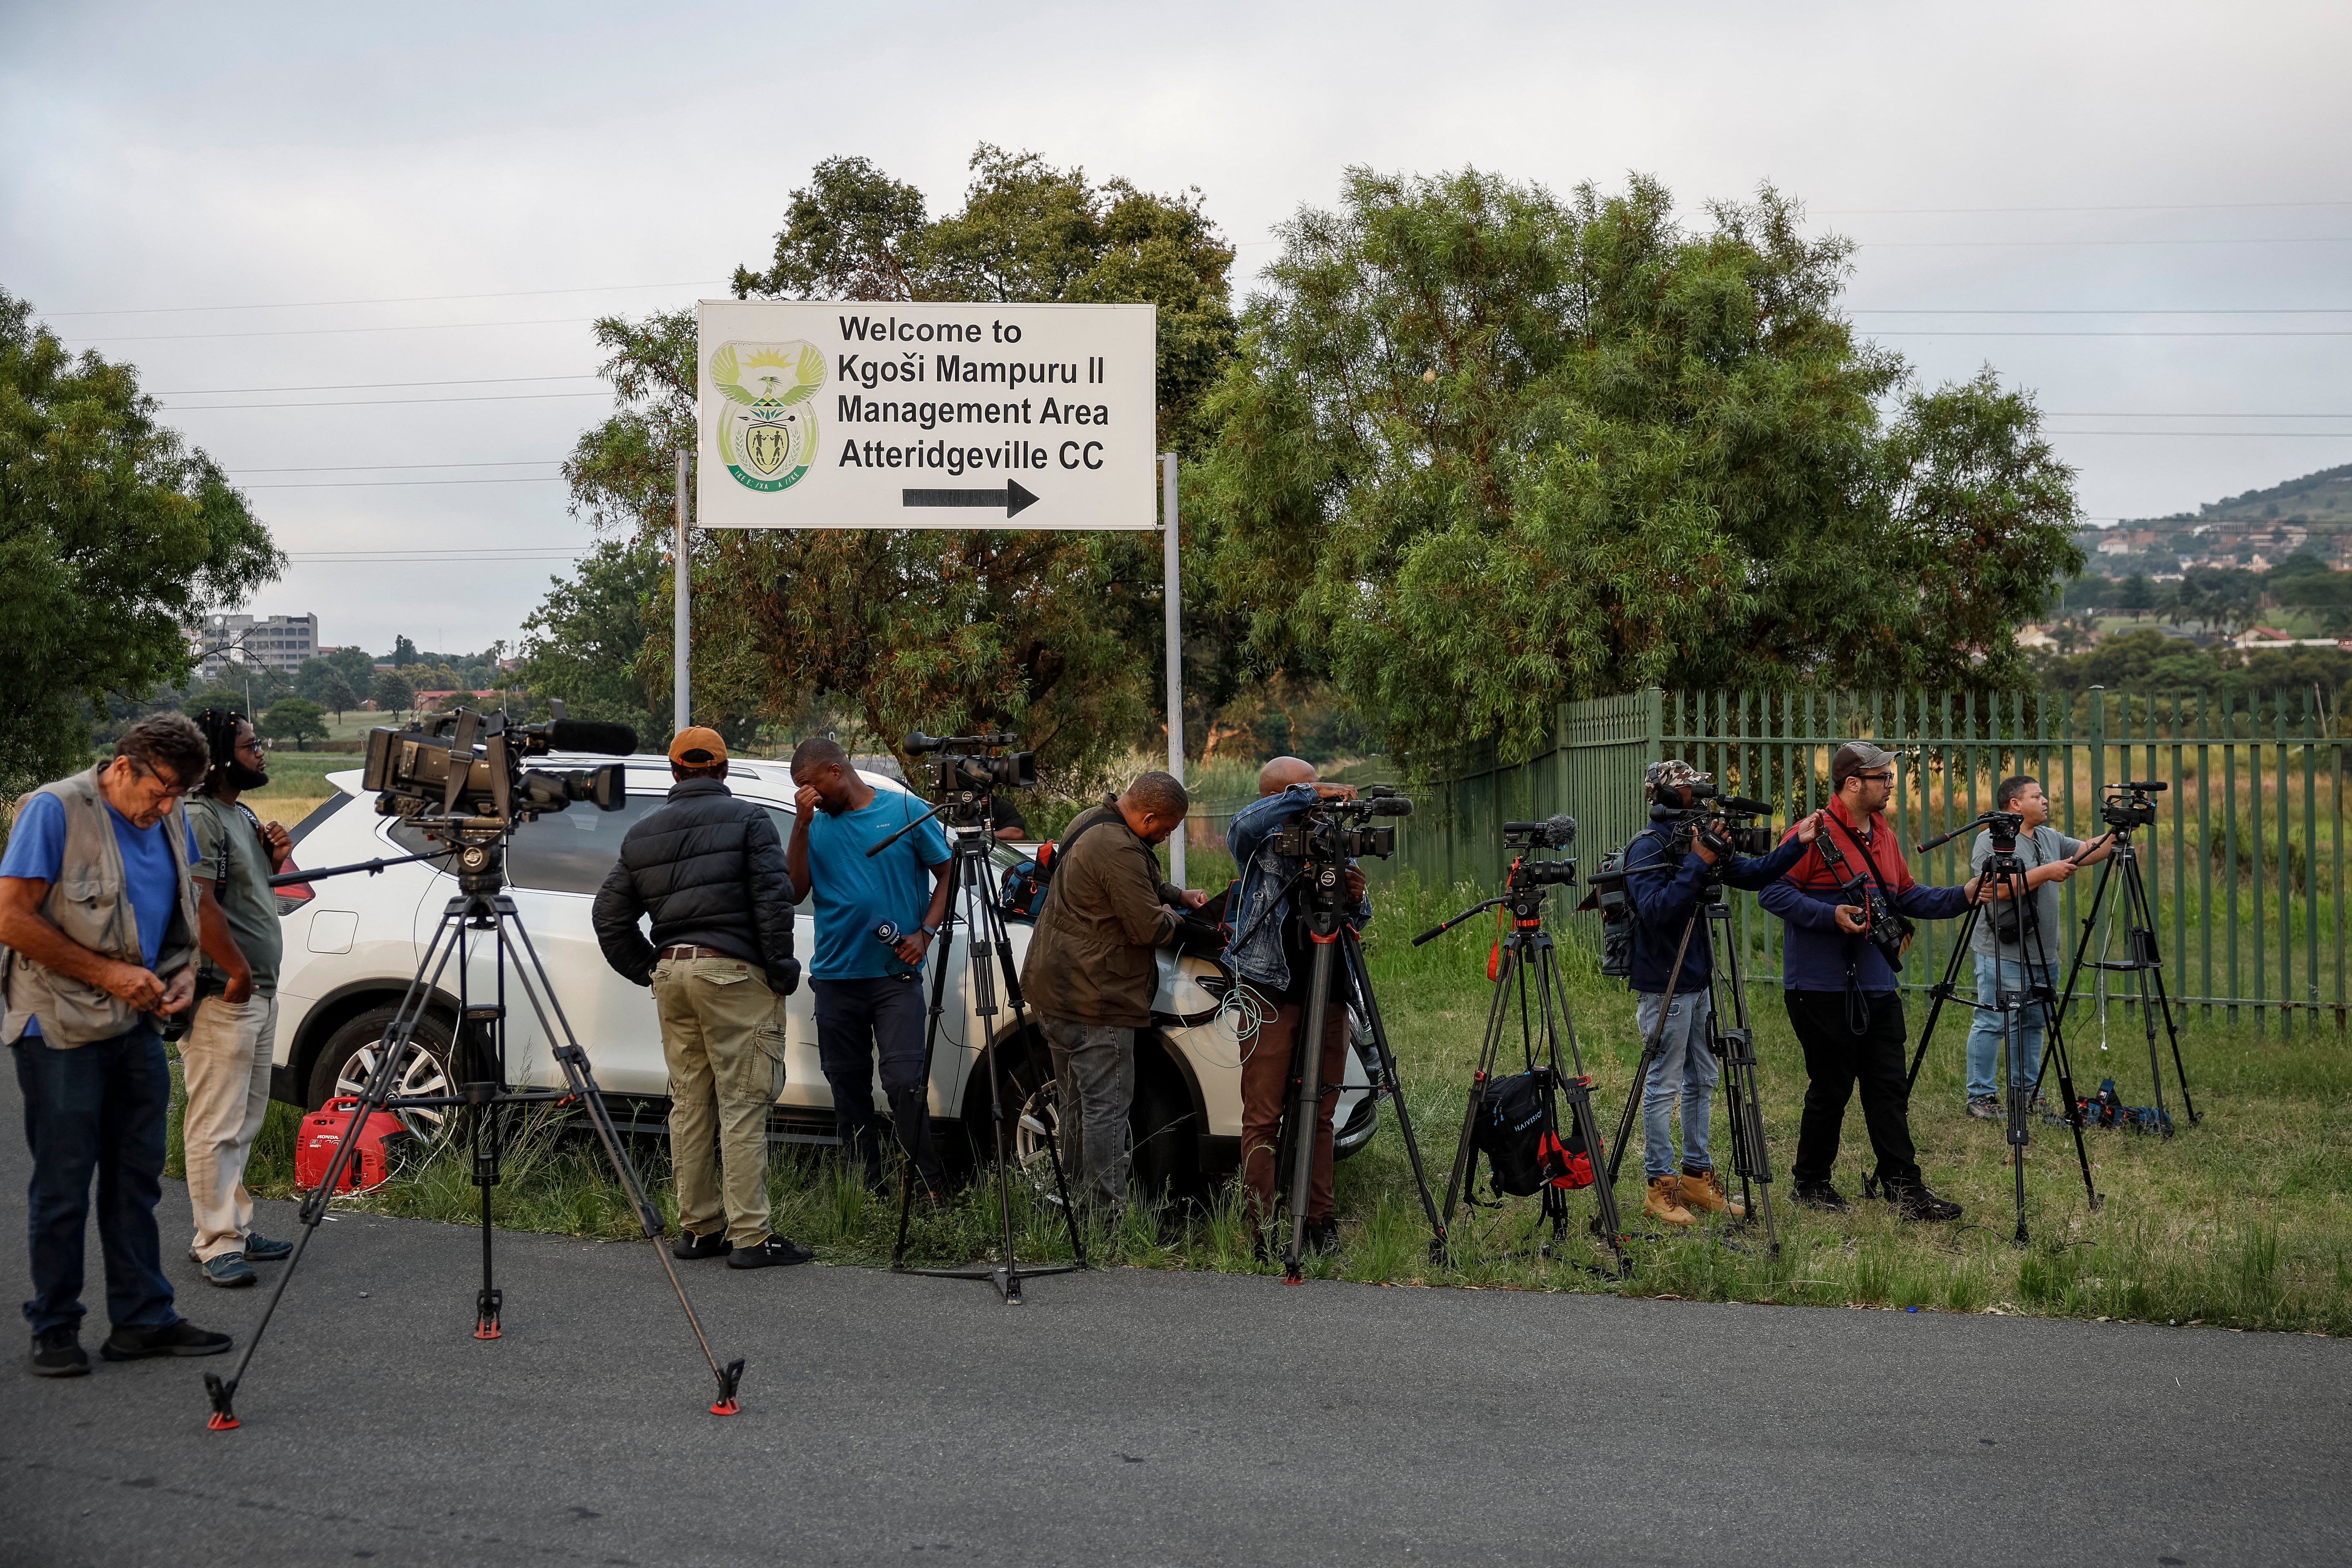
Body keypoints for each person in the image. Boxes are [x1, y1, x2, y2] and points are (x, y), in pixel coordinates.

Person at [0, 714, 250, 1377]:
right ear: (121, 765)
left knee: (136, 1179)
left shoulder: (167, 815)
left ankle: (142, 1319)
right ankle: (54, 1326)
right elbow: (11, 917)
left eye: (180, 793)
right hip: (58, 1029)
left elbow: (182, 911)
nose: (168, 806)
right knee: (63, 1185)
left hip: (135, 1027)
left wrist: (183, 972)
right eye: (162, 789)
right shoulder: (55, 810)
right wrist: (108, 972)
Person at [592, 726, 808, 1270]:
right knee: (742, 1104)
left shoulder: (644, 833)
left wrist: (650, 968)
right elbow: (773, 900)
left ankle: (699, 1228)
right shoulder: (750, 820)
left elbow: (608, 915)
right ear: (723, 769)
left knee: (689, 1105)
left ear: (673, 771)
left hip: (674, 973)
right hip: (733, 975)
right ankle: (751, 1237)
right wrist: (780, 971)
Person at [1759, 741, 1982, 1221]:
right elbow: (1772, 891)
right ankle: (1811, 1184)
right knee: (1831, 1087)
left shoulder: (1882, 832)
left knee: (1887, 1086)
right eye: (1883, 778)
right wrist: (1829, 915)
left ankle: (1905, 1190)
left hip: (1878, 984)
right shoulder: (1812, 832)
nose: (1891, 786)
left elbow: (1905, 895)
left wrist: (1966, 894)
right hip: (1818, 986)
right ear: (1853, 782)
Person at [1621, 760, 1825, 1226]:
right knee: (1663, 1085)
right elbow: (1657, 911)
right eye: (1689, 789)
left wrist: (1797, 842)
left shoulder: (1699, 841)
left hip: (1698, 978)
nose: (1698, 796)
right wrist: (1699, 861)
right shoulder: (1647, 847)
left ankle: (1696, 1175)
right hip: (1663, 983)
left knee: (1704, 1079)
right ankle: (1659, 1186)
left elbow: (1754, 876)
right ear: (1666, 795)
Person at [1018, 771, 1201, 1215]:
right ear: (1150, 815)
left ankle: (1078, 1208)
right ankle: (1105, 1215)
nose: (1167, 834)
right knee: (1106, 1109)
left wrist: (1174, 894)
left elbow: (1124, 882)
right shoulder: (1120, 847)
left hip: (1054, 988)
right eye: (1168, 828)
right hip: (1095, 998)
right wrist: (1176, 918)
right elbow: (1148, 927)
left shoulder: (1091, 821)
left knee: (1077, 1104)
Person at [785, 737, 954, 1198]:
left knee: (903, 1082)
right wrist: (800, 827)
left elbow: (949, 871)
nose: (807, 796)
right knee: (847, 1086)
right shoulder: (814, 827)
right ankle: (866, 1188)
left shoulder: (903, 810)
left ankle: (929, 1185)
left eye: (810, 785)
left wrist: (926, 933)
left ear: (836, 772)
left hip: (893, 977)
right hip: (836, 978)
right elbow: (795, 890)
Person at [1221, 757, 1367, 1252]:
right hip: (1271, 992)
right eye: (1304, 791)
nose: (1317, 801)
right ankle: (1260, 1228)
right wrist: (1312, 793)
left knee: (1320, 1113)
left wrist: (1356, 895)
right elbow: (1241, 824)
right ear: (1280, 797)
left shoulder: (1330, 841)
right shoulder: (1257, 842)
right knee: (1263, 1116)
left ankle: (1317, 1222)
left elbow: (1356, 921)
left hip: (1328, 992)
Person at [180, 710, 299, 1287]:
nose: (262, 753)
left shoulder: (241, 812)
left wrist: (276, 857)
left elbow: (257, 894)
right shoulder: (200, 817)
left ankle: (232, 1225)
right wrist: (236, 971)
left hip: (258, 992)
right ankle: (215, 1241)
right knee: (215, 1120)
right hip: (223, 992)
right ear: (222, 755)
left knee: (245, 1118)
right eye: (252, 745)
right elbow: (198, 902)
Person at [1963, 776, 2112, 1120]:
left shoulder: (2048, 837)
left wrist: (2118, 830)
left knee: (2032, 1022)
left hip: (2043, 953)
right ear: (2015, 804)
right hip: (2002, 951)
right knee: (1993, 1021)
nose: (2045, 800)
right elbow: (1998, 889)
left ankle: (2028, 1092)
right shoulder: (1992, 840)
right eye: (2037, 795)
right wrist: (2048, 872)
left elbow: (2087, 850)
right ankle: (1981, 1097)